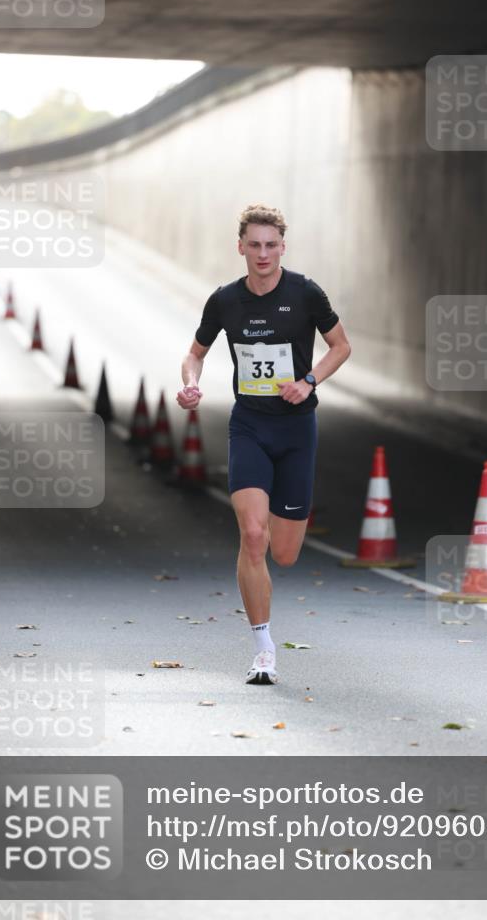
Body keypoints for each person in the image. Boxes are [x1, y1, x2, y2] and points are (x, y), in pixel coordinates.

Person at [177, 204, 351, 684]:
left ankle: (275, 537)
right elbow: (195, 354)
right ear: (240, 247)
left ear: (282, 247)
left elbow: (341, 346)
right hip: (249, 425)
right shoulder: (225, 301)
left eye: (271, 245)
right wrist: (190, 384)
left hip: (296, 430)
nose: (262, 253)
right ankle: (263, 649)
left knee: (286, 553)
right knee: (253, 536)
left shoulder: (305, 293)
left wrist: (310, 380)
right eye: (253, 245)